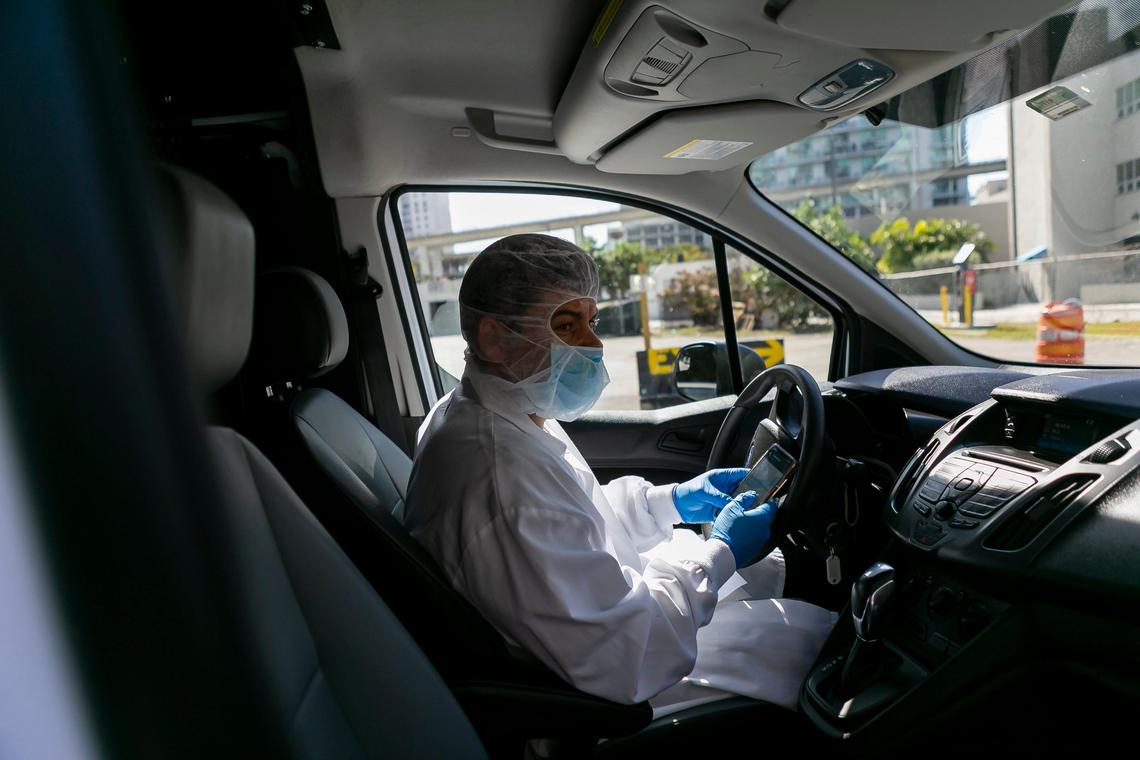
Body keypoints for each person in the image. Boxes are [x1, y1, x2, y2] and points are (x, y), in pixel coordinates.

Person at [404, 234, 834, 715]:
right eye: (567, 325)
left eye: (592, 321)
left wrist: (670, 501)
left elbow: (571, 515)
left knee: (756, 575)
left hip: (592, 628)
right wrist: (721, 552)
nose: (594, 343)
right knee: (805, 637)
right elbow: (628, 652)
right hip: (602, 689)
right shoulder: (501, 477)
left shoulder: (486, 413)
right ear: (493, 338)